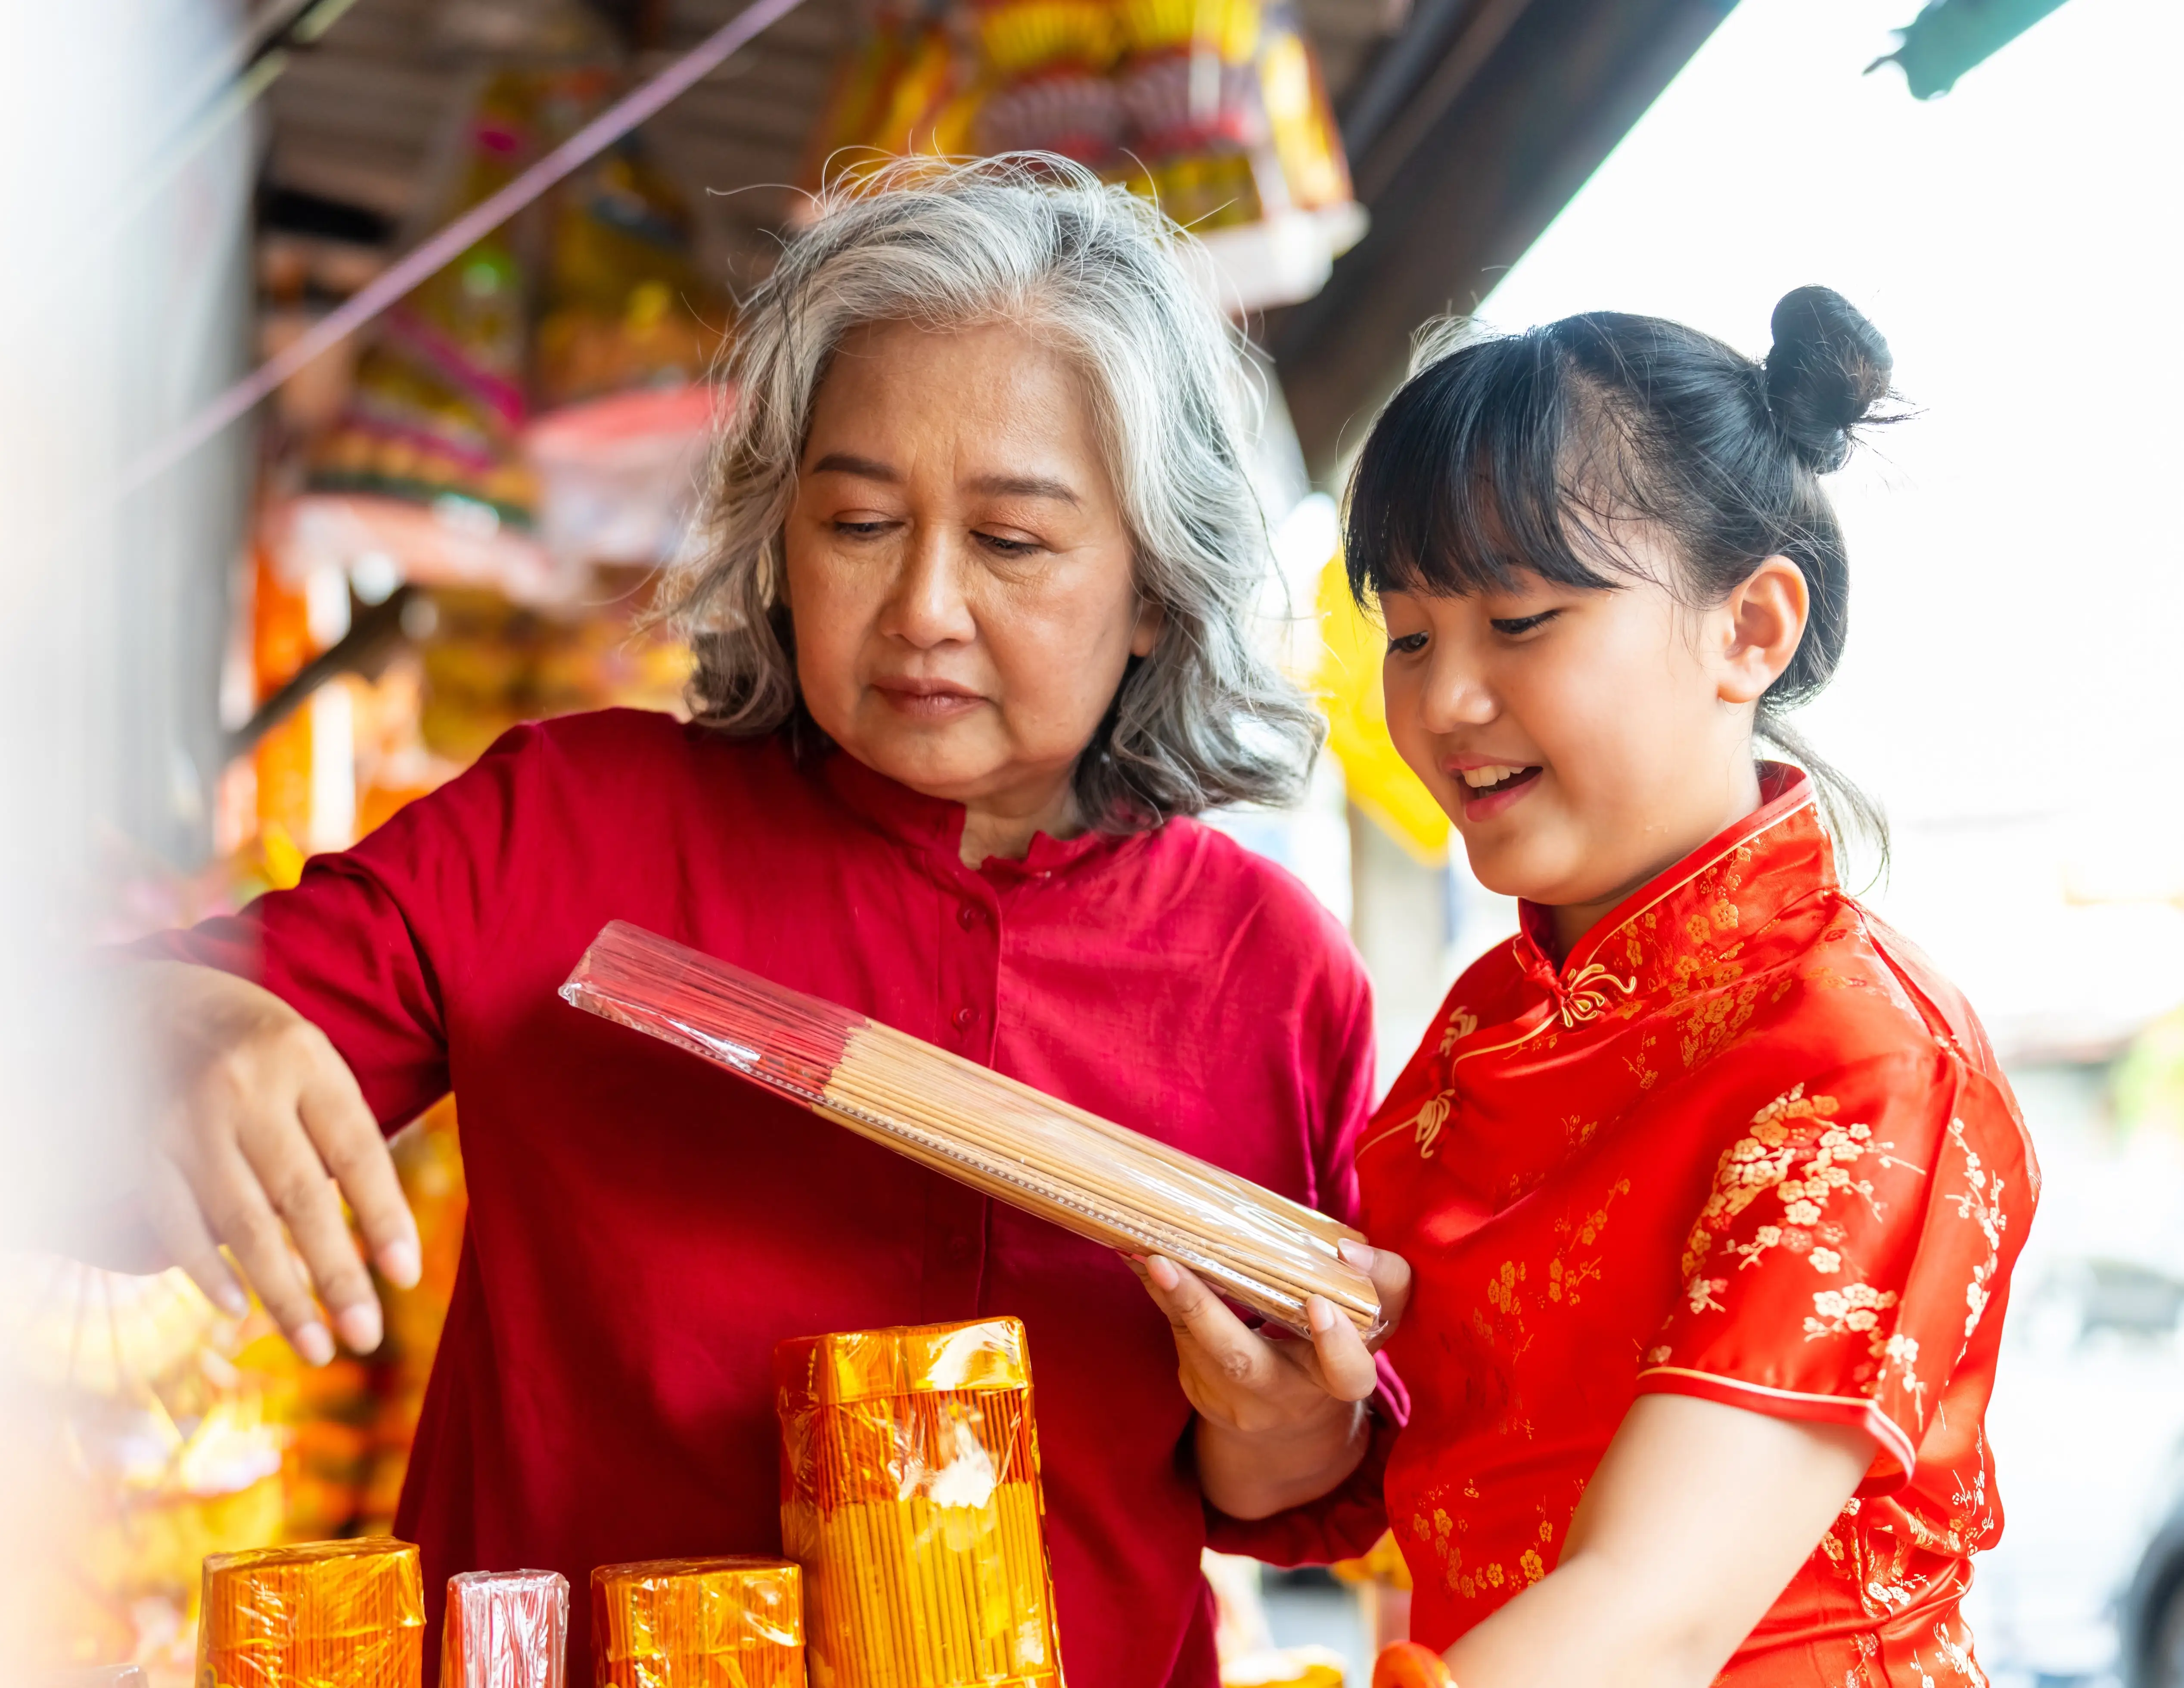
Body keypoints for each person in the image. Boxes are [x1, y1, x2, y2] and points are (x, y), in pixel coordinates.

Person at [116, 154, 1410, 1685]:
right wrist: (176, 1026)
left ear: (1150, 586)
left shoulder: (1269, 971)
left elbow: (1283, 1474)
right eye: (858, 521)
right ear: (778, 542)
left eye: (1010, 541)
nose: (923, 605)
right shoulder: (565, 828)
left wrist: (1284, 1424)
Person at [1309, 288, 2032, 1686]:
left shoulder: (1862, 1056)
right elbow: (1384, 1467)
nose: (1443, 700)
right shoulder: (1486, 1018)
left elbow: (1652, 1610)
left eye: (1519, 618)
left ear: (1749, 626)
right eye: (1408, 635)